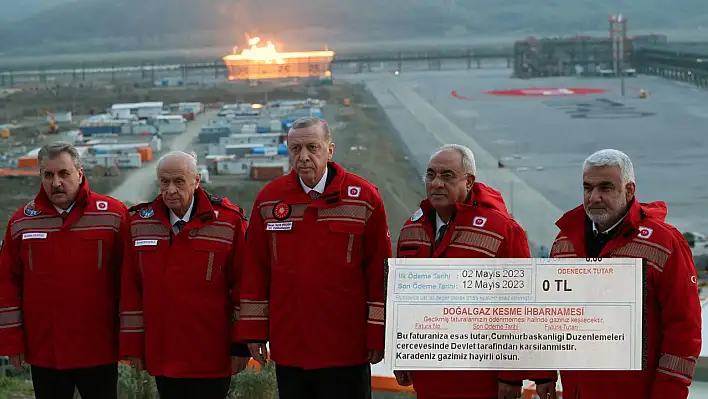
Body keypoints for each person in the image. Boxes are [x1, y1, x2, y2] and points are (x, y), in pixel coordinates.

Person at [238, 117, 392, 399]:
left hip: (347, 346)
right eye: (295, 149)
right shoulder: (269, 200)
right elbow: (255, 271)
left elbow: (379, 273)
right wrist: (254, 331)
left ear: (330, 150)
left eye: (312, 147)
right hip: (291, 345)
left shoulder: (364, 199)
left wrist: (376, 333)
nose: (304, 156)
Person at [393, 144, 557, 399]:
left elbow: (524, 305)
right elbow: (403, 302)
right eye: (431, 175)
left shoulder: (501, 230)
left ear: (469, 182)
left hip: (481, 377)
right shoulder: (411, 230)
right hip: (429, 374)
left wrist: (512, 376)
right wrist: (401, 354)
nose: (436, 183)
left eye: (447, 176)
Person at [550, 149, 702, 399]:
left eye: (606, 188)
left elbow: (684, 330)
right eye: (587, 188)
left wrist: (669, 393)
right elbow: (550, 315)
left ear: (630, 190)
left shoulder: (664, 243)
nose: (594, 197)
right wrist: (543, 374)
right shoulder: (566, 240)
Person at [0, 141, 128, 399]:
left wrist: (131, 338)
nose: (56, 182)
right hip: (46, 350)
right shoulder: (21, 222)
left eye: (64, 173)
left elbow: (130, 282)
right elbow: (7, 285)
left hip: (99, 348)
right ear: (40, 177)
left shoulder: (113, 216)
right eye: (48, 175)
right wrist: (12, 341)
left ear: (80, 173)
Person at [119, 151, 251, 399]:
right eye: (164, 182)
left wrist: (241, 344)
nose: (170, 190)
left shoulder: (228, 222)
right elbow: (131, 289)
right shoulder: (138, 224)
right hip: (163, 351)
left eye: (179, 181)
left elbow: (244, 287)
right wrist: (133, 345)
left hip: (212, 352)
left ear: (196, 181)